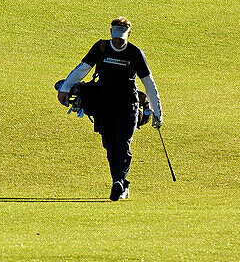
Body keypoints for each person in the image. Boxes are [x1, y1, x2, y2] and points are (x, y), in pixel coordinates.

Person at [57, 17, 163, 201]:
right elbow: (83, 69)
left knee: (123, 144)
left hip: (128, 106)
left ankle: (118, 183)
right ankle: (122, 183)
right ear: (111, 33)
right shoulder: (101, 47)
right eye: (115, 37)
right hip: (103, 105)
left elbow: (148, 84)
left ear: (129, 34)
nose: (118, 41)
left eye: (121, 38)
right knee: (110, 145)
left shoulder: (135, 53)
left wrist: (157, 112)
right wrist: (65, 88)